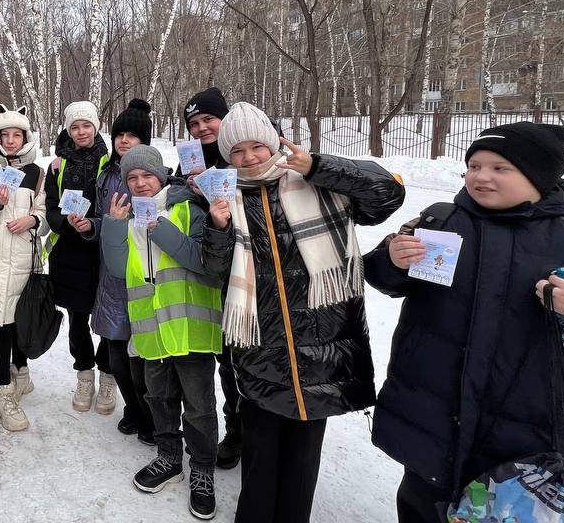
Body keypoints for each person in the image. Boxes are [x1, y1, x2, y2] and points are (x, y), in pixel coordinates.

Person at [364, 122, 564, 522]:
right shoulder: (439, 222)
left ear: (539, 175)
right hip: (432, 431)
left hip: (531, 457)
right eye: (475, 165)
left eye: (501, 168)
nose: (481, 176)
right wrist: (392, 261)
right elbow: (379, 274)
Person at [200, 102, 404, 523]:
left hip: (322, 348)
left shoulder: (317, 182)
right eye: (237, 151)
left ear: (275, 142)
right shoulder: (225, 196)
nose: (250, 157)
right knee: (259, 458)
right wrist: (217, 229)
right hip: (260, 348)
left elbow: (387, 194)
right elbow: (216, 272)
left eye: (258, 145)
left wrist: (319, 167)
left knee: (302, 462)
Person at [99, 145, 219, 520]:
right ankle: (168, 457)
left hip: (188, 328)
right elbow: (119, 269)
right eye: (132, 178)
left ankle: (202, 468)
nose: (139, 184)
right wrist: (115, 225)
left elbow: (202, 262)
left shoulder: (186, 209)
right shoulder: (128, 216)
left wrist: (160, 228)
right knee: (159, 398)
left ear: (162, 176)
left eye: (146, 176)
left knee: (198, 406)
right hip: (150, 329)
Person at [176, 86, 244, 470]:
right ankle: (236, 430)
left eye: (208, 120)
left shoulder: (245, 156)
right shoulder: (192, 163)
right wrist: (189, 188)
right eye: (195, 123)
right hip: (212, 271)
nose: (202, 128)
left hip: (250, 272)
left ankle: (250, 430)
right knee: (227, 359)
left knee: (247, 357)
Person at [83, 98, 157, 442]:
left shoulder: (153, 176)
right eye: (119, 135)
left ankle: (150, 415)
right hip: (110, 273)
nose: (124, 141)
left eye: (133, 135)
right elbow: (101, 217)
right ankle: (133, 408)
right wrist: (89, 226)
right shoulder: (107, 173)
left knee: (140, 352)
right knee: (115, 348)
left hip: (143, 271)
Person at [0, 104, 47, 432]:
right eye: (6, 134)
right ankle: (3, 391)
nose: (12, 140)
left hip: (23, 257)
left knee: (20, 320)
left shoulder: (38, 172)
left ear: (27, 137)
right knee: (3, 324)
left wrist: (33, 219)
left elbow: (44, 210)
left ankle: (22, 375)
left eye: (18, 134)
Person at [44, 100, 115, 414]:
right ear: (67, 130)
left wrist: (95, 224)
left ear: (96, 126)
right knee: (77, 319)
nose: (81, 131)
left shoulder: (111, 160)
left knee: (111, 319)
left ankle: (108, 378)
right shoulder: (57, 165)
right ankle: (84, 375)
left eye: (86, 125)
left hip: (103, 249)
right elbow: (49, 207)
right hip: (70, 250)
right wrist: (64, 221)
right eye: (75, 126)